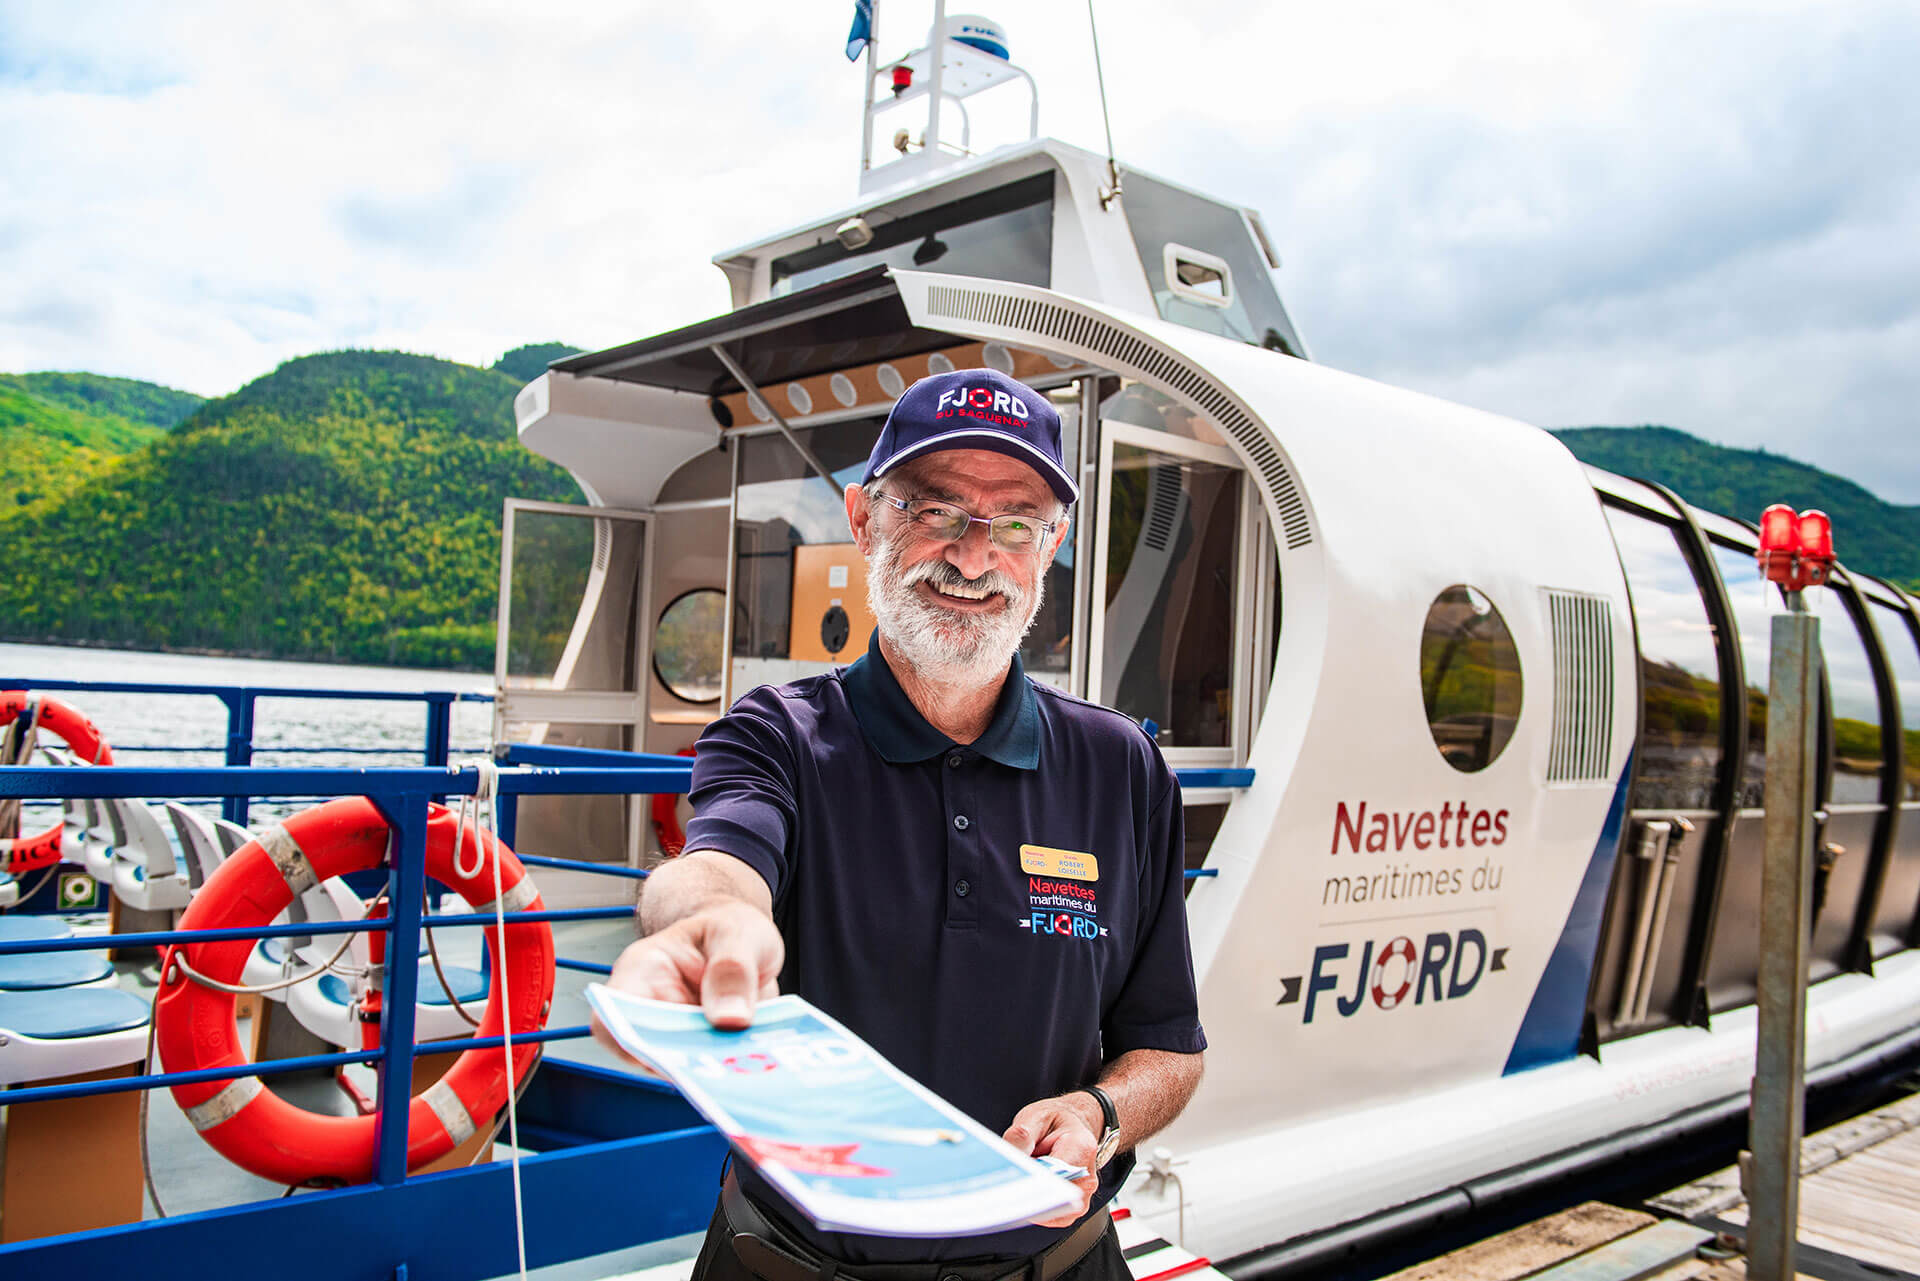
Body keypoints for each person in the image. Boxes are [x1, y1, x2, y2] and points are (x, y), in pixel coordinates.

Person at [601, 367, 1207, 1281]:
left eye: (1013, 523)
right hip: (786, 1266)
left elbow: (1168, 1047)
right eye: (934, 511)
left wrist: (1098, 1112)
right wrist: (705, 923)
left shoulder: (1122, 769)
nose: (971, 556)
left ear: (1051, 547)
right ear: (863, 516)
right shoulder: (779, 736)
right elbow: (723, 860)